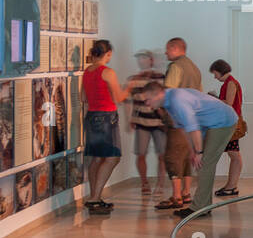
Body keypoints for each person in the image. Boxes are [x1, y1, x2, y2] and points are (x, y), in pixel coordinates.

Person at [139, 82, 236, 217]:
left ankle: (199, 208)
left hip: (223, 121)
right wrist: (192, 151)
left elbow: (193, 128)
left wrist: (199, 152)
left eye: (148, 99)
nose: (147, 104)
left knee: (205, 164)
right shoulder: (169, 103)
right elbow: (184, 129)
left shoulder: (177, 100)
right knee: (202, 164)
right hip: (209, 124)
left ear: (158, 94)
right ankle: (204, 206)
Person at [81, 40, 128, 214]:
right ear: (107, 53)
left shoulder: (87, 71)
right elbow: (119, 98)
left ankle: (94, 197)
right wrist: (129, 88)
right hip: (107, 118)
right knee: (112, 157)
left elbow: (83, 98)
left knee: (96, 158)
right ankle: (94, 198)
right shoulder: (107, 72)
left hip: (91, 116)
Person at [156, 37, 202, 211]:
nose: (166, 52)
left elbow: (168, 93)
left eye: (168, 49)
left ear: (175, 48)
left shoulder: (175, 67)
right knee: (186, 156)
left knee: (172, 156)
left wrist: (164, 113)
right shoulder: (194, 68)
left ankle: (176, 196)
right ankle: (186, 192)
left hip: (178, 119)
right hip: (192, 119)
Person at [125, 49, 167, 195]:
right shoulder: (133, 79)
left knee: (162, 154)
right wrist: (129, 119)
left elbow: (165, 98)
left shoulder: (161, 78)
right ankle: (144, 183)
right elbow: (129, 101)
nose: (141, 61)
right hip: (141, 122)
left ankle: (160, 184)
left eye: (144, 58)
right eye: (139, 58)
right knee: (141, 153)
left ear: (151, 60)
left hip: (159, 122)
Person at [209, 59, 243, 196]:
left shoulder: (230, 83)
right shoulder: (229, 82)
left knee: (234, 154)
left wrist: (213, 99)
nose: (215, 76)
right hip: (230, 121)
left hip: (231, 122)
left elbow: (228, 103)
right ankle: (231, 185)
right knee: (233, 153)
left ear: (220, 70)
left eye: (215, 73)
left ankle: (232, 186)